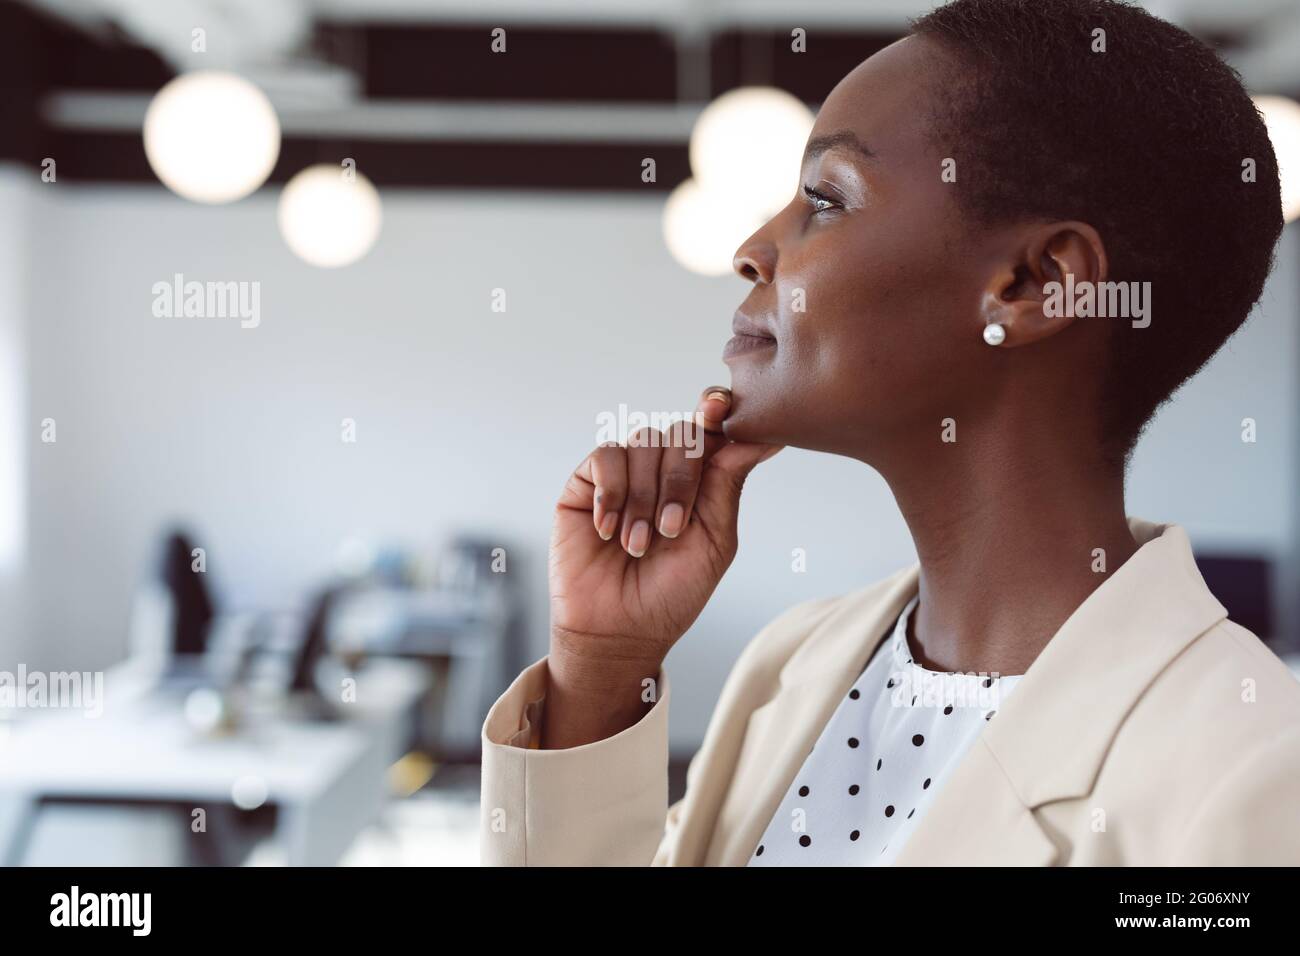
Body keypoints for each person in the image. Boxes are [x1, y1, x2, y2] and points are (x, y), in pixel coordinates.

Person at [480, 0, 1300, 865]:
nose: (753, 249)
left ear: (1033, 285)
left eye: (825, 199)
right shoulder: (792, 663)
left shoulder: (1251, 775)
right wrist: (600, 670)